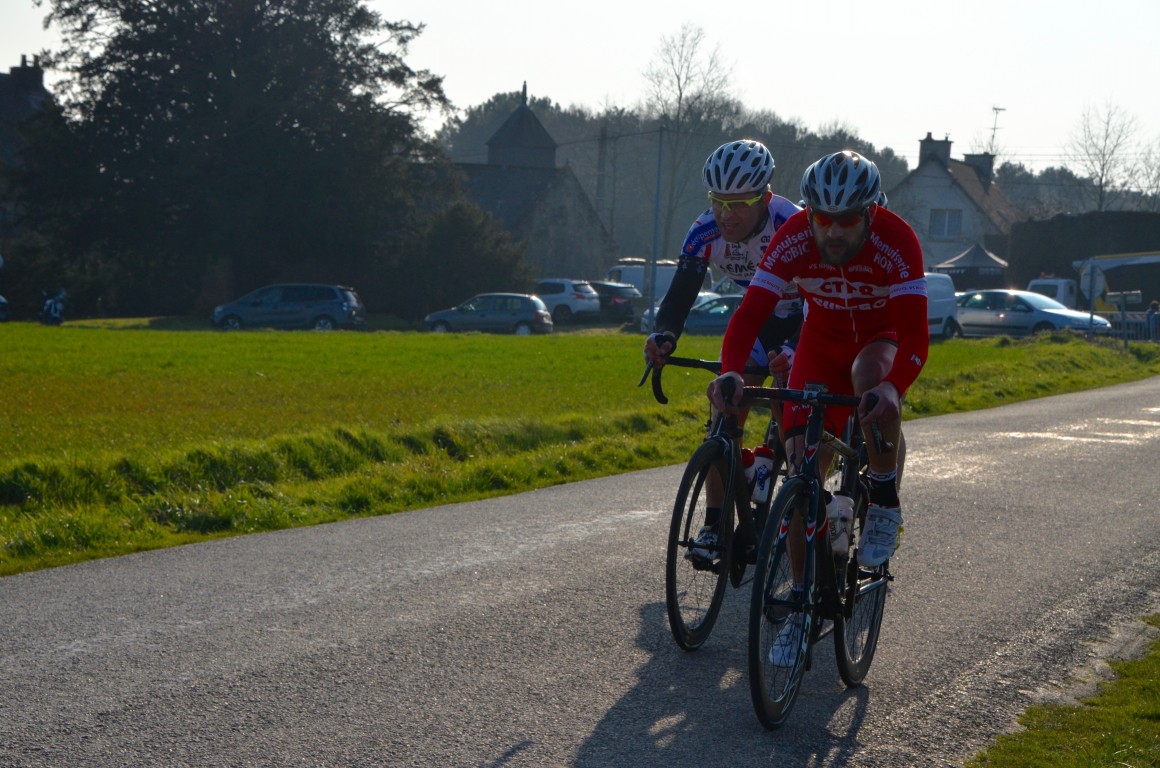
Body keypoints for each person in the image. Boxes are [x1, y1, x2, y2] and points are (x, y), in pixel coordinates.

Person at [707, 149, 929, 583]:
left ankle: (883, 498)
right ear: (809, 213)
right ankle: (800, 601)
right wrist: (731, 369)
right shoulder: (793, 237)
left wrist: (893, 386)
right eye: (823, 219)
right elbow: (749, 315)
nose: (833, 231)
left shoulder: (897, 240)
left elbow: (916, 337)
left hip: (879, 338)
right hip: (821, 343)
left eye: (847, 219)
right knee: (802, 479)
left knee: (871, 378)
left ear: (870, 212)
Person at [644, 139, 804, 560]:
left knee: (789, 410)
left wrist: (792, 347)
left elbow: (820, 300)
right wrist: (665, 335)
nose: (725, 214)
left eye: (738, 204)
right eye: (717, 201)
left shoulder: (792, 224)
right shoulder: (704, 232)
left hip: (804, 318)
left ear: (765, 198)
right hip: (757, 318)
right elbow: (680, 296)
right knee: (724, 409)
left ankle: (798, 500)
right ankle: (714, 525)